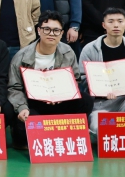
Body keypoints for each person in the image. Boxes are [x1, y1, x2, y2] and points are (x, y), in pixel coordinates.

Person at [7, 11, 93, 150]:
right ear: (39, 30)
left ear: (61, 33)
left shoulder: (68, 52)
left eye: (56, 30)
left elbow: (75, 80)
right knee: (24, 127)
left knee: (86, 100)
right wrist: (22, 108)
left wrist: (63, 95)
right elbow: (14, 88)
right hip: (33, 103)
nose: (51, 34)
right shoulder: (22, 56)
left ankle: (69, 133)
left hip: (59, 101)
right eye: (47, 29)